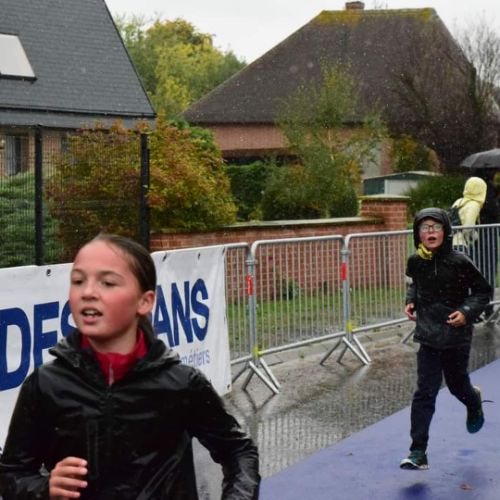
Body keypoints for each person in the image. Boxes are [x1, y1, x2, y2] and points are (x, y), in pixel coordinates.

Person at [0, 233, 260, 499]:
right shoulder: (45, 385)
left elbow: (238, 451)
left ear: (144, 301)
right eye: (78, 281)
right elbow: (12, 474)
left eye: (107, 282)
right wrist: (45, 489)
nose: (88, 292)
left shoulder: (182, 383)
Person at [400, 208, 491, 471]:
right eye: (424, 227)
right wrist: (410, 301)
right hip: (428, 335)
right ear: (417, 233)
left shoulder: (459, 261)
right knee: (424, 392)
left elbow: (483, 292)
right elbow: (414, 283)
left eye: (436, 227)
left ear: (446, 231)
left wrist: (466, 312)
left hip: (456, 334)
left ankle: (473, 401)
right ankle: (418, 451)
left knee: (456, 385)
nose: (430, 232)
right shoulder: (415, 261)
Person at [473, 168, 500, 318]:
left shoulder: (481, 190)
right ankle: (487, 306)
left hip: (483, 237)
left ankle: (484, 306)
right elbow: (493, 212)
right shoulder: (486, 190)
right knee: (487, 271)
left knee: (482, 271)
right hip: (486, 237)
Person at [450, 176, 487, 255]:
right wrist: (475, 237)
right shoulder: (474, 205)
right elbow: (468, 227)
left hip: (450, 241)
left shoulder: (459, 201)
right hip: (460, 243)